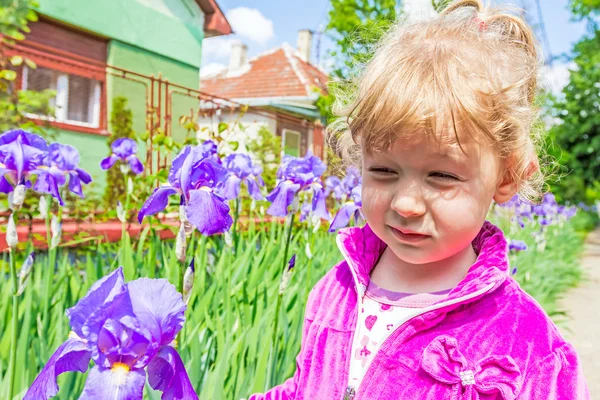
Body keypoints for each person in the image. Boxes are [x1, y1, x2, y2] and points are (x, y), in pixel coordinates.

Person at [250, 0, 591, 398]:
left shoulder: (528, 341)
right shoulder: (337, 288)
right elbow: (303, 386)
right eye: (384, 171)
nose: (406, 204)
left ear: (507, 176)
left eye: (442, 176)